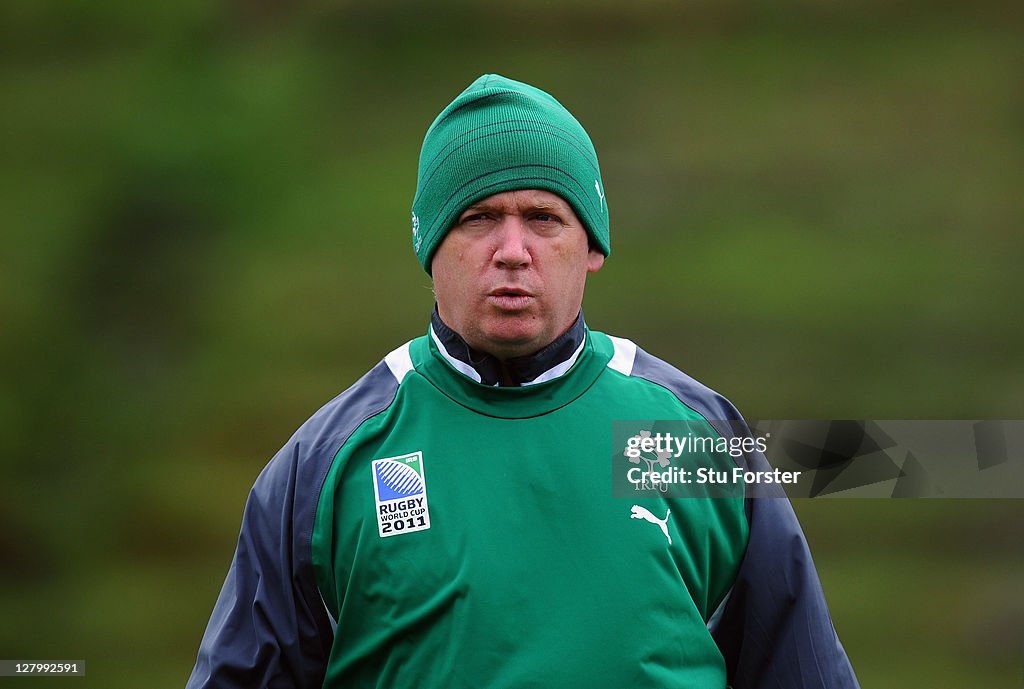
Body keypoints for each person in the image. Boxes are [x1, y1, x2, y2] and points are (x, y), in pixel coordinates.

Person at [186, 73, 859, 689]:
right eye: (479, 218)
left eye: (543, 218)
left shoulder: (694, 437)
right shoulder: (324, 466)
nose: (512, 250)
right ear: (430, 245)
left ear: (591, 246)